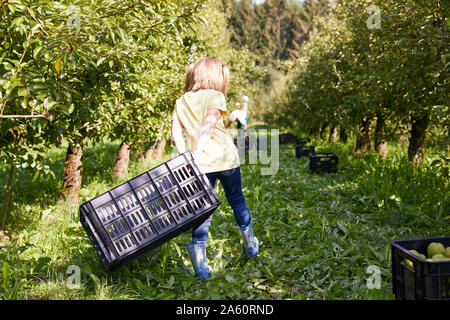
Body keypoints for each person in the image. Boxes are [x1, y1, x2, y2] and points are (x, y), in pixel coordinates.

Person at [171, 57, 259, 279]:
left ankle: (200, 265)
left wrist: (187, 157)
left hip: (201, 165)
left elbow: (176, 134)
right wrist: (200, 151)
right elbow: (209, 126)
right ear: (215, 77)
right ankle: (250, 243)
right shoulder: (216, 96)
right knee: (236, 199)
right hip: (225, 159)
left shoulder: (181, 101)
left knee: (203, 209)